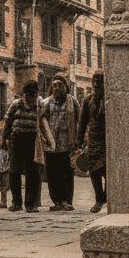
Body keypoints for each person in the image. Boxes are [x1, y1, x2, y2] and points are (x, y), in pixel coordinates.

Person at [0, 79, 49, 213]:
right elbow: (7, 121)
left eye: (33, 94)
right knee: (14, 171)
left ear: (36, 93)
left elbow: (44, 123)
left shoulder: (40, 105)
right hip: (16, 140)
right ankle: (16, 202)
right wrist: (3, 139)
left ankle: (31, 204)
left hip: (33, 141)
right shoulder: (16, 104)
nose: (30, 97)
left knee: (33, 172)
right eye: (28, 94)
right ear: (24, 93)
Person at [43, 74, 80, 211]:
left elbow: (79, 120)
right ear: (51, 87)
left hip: (67, 144)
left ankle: (66, 201)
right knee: (52, 174)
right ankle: (57, 201)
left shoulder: (72, 101)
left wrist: (78, 140)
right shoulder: (46, 103)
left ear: (65, 87)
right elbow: (41, 121)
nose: (57, 87)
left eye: (60, 85)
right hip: (50, 144)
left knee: (66, 174)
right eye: (55, 85)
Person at [77, 68, 107, 213]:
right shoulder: (87, 100)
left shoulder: (109, 98)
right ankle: (98, 199)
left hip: (108, 142)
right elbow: (82, 122)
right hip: (93, 142)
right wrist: (79, 140)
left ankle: (106, 196)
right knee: (94, 172)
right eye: (94, 81)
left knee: (109, 173)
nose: (96, 84)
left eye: (99, 81)